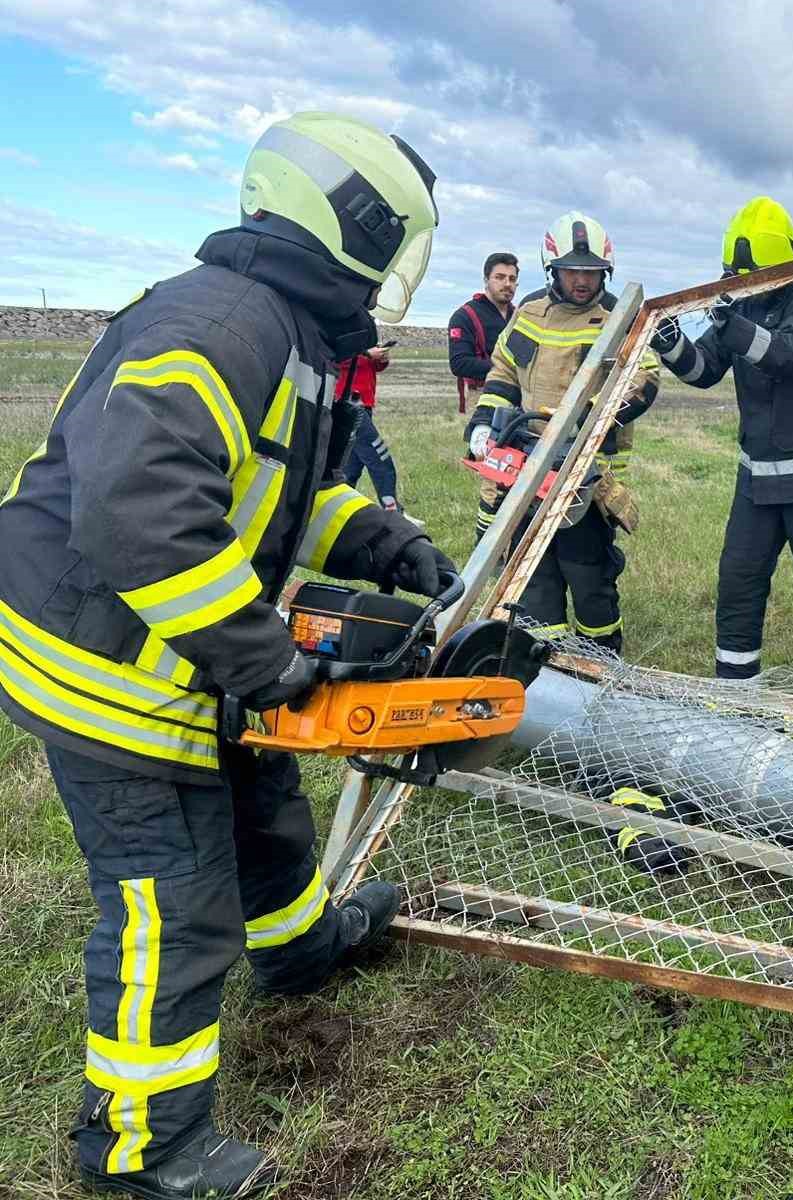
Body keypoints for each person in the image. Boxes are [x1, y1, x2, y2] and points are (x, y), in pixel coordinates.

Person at [0, 112, 457, 1199]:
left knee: (262, 802)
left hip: (176, 653)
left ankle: (301, 948)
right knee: (172, 898)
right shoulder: (225, 323)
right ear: (351, 223)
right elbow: (139, 517)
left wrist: (394, 544)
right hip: (102, 664)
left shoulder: (284, 330)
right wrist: (267, 661)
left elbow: (275, 496)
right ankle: (139, 1151)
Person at [651, 197, 793, 690]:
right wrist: (670, 343)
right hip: (757, 485)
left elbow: (787, 353)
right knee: (738, 587)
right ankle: (736, 691)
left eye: (748, 279)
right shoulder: (740, 309)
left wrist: (732, 325)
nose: (740, 288)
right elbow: (703, 371)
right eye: (733, 279)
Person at [466, 211, 657, 654]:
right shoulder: (531, 312)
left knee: (589, 579)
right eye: (573, 270)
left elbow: (643, 381)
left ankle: (602, 665)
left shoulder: (618, 317)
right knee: (533, 580)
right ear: (553, 267)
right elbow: (503, 374)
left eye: (592, 272)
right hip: (528, 472)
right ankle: (545, 666)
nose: (583, 281)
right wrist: (481, 424)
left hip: (585, 480)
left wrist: (583, 417)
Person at [448, 252, 518, 415]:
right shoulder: (464, 316)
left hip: (519, 395)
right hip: (482, 396)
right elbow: (459, 363)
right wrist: (507, 369)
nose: (507, 283)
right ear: (486, 280)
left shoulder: (520, 316)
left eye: (512, 279)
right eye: (499, 277)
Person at [336, 341, 403, 512]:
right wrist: (366, 353)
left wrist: (380, 359)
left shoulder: (361, 330)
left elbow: (370, 366)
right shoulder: (338, 326)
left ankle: (338, 512)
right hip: (348, 402)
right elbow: (335, 357)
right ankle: (394, 513)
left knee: (349, 470)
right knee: (380, 459)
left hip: (364, 403)